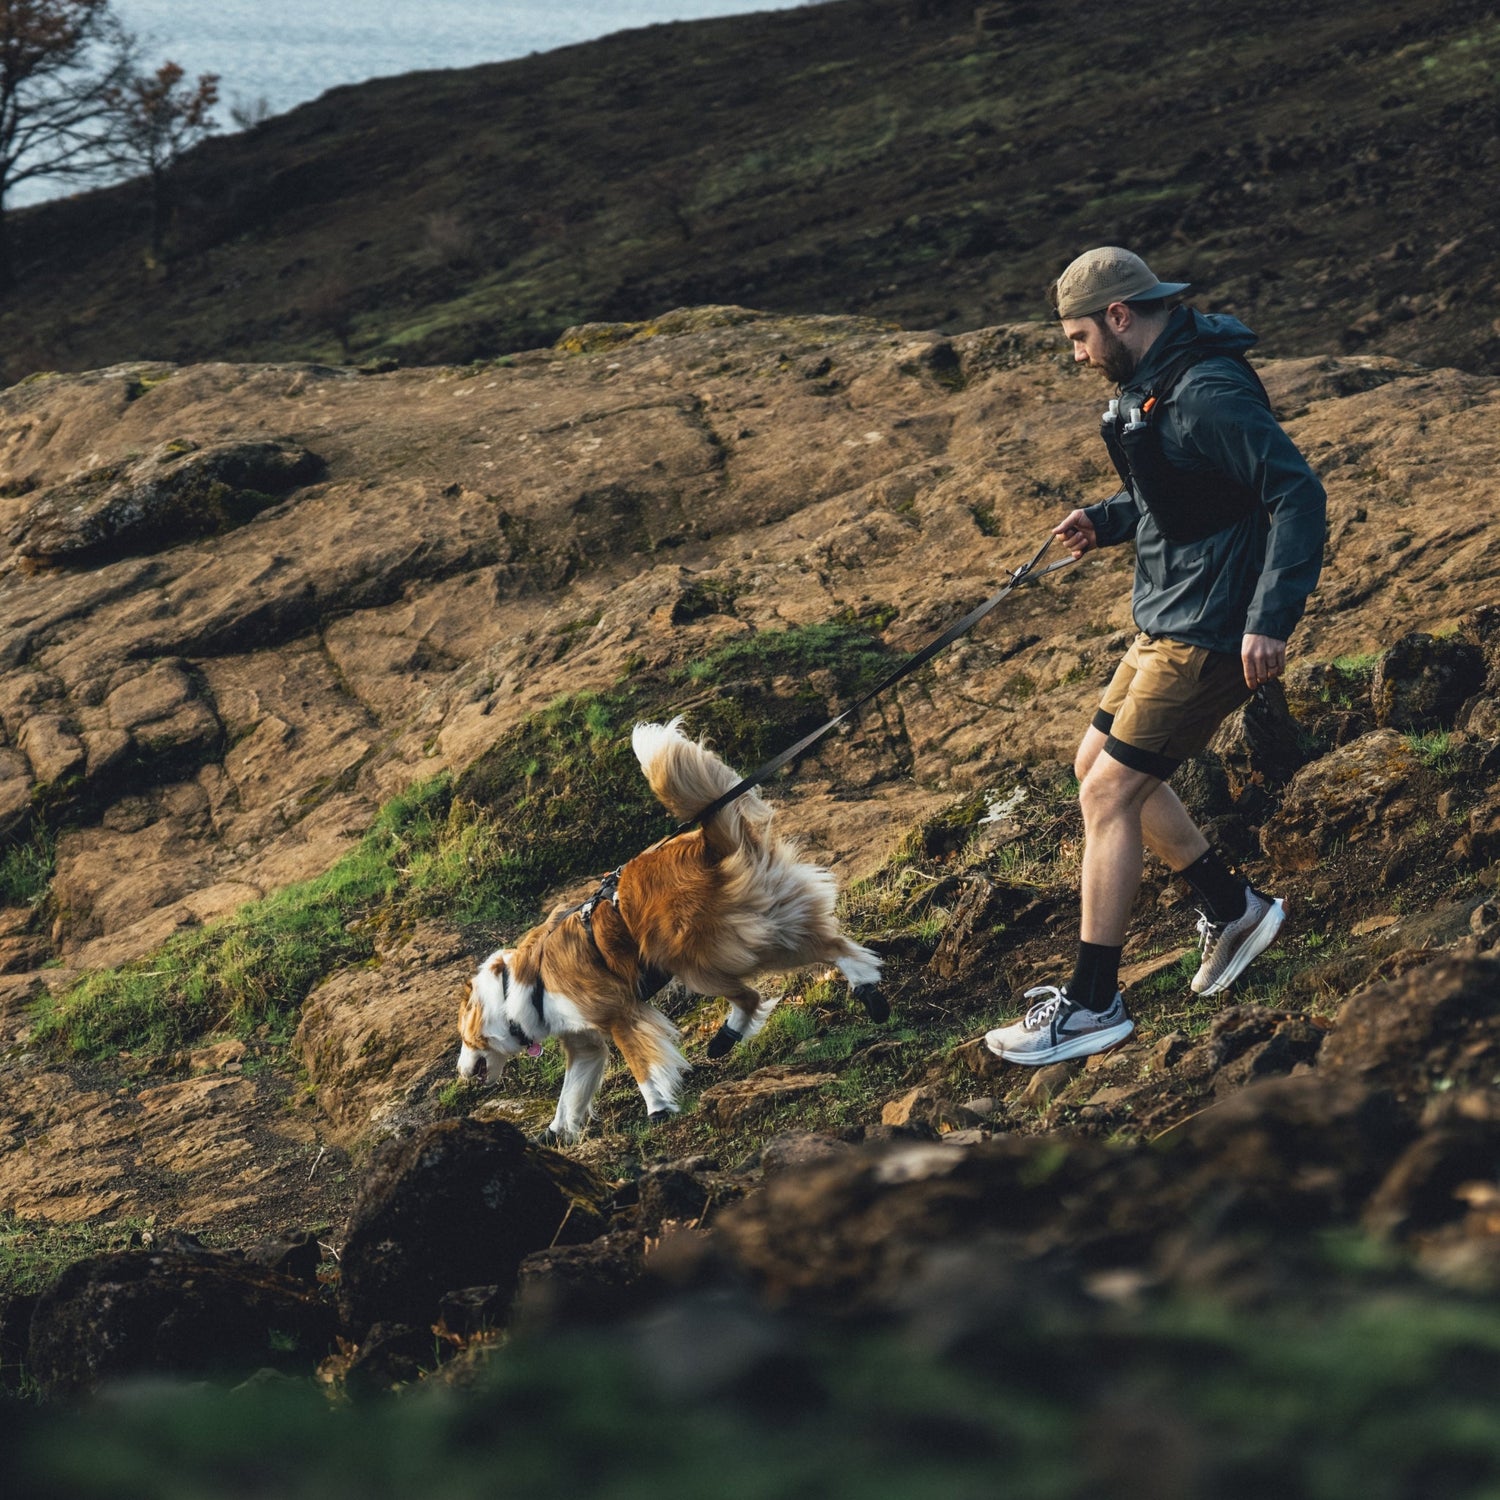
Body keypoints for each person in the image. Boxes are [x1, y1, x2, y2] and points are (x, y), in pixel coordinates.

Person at [984, 246, 1327, 1066]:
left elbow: (1295, 493)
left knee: (1110, 792)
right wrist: (1105, 520)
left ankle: (1093, 1004)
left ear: (1118, 316)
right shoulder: (1155, 386)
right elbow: (1179, 490)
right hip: (1167, 616)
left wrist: (1269, 619)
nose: (1076, 355)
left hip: (1211, 630)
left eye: (1076, 338)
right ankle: (1232, 906)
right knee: (1093, 763)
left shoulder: (1206, 393)